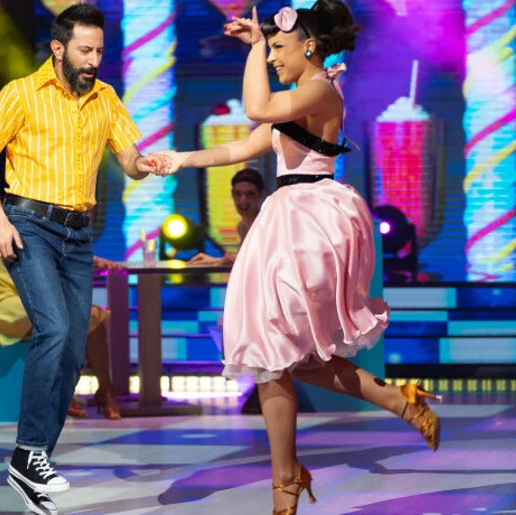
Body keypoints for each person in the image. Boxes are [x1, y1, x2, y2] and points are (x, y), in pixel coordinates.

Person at [151, 2, 441, 513]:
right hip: (287, 219)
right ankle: (390, 404)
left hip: (310, 221)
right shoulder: (294, 101)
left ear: (309, 46)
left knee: (274, 350)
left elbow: (258, 107)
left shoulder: (321, 89)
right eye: (269, 51)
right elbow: (240, 147)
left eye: (278, 49)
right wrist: (178, 159)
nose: (272, 59)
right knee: (280, 356)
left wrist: (254, 46)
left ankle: (289, 479)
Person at [0, 4, 163, 513]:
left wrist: (147, 164)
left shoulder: (106, 98)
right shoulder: (20, 93)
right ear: (59, 48)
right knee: (52, 329)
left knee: (74, 350)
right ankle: (28, 451)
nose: (94, 60)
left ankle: (33, 465)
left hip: (79, 236)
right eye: (85, 50)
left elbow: (128, 160)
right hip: (28, 224)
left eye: (99, 51)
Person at [0, 207, 123, 421]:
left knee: (91, 317)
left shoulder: (46, 213)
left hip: (34, 293)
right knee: (57, 317)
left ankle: (105, 391)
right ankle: (63, 390)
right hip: (2, 298)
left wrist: (95, 261)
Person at [188, 168, 264, 265]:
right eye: (238, 194)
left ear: (260, 195)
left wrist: (219, 260)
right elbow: (244, 262)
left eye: (250, 194)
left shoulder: (265, 225)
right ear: (232, 194)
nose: (243, 200)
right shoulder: (241, 226)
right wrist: (214, 260)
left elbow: (261, 264)